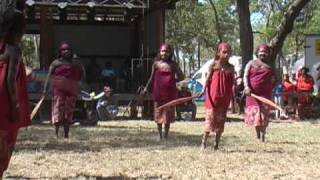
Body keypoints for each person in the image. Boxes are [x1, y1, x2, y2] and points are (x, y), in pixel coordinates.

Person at [0, 0, 31, 177]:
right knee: (5, 142)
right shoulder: (14, 50)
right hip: (4, 100)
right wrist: (16, 106)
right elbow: (10, 79)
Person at [43, 42, 85, 138]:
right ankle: (56, 134)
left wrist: (79, 85)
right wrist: (45, 89)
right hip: (58, 91)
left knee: (68, 114)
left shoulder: (76, 63)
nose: (66, 51)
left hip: (71, 92)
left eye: (68, 49)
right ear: (60, 52)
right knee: (57, 112)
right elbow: (49, 77)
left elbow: (83, 74)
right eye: (64, 50)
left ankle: (66, 134)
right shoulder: (56, 63)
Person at [144, 43, 184, 141]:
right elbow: (151, 77)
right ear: (159, 52)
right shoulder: (156, 64)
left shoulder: (173, 65)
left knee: (168, 115)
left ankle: (166, 135)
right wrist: (146, 88)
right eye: (162, 51)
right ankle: (160, 135)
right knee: (158, 113)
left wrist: (174, 81)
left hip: (170, 93)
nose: (164, 53)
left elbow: (181, 76)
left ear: (170, 53)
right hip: (158, 92)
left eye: (166, 51)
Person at [201, 42, 234, 150]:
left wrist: (233, 96)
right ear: (218, 53)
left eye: (229, 52)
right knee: (209, 121)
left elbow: (232, 83)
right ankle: (203, 143)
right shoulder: (214, 65)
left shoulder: (231, 68)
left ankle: (216, 145)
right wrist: (203, 90)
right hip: (212, 98)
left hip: (224, 98)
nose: (227, 55)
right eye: (224, 52)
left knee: (220, 122)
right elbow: (208, 80)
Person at [244, 44, 275, 142]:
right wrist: (247, 87)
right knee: (256, 117)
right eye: (261, 52)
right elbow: (245, 76)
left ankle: (263, 135)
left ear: (268, 54)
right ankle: (258, 135)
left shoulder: (270, 66)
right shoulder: (251, 63)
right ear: (257, 53)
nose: (263, 54)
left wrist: (271, 88)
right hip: (252, 95)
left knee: (263, 116)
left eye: (265, 52)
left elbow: (276, 79)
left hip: (265, 95)